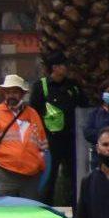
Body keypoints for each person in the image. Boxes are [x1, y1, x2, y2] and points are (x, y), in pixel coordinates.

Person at [0, 75, 48, 199]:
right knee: (4, 210)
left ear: (22, 94)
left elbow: (42, 143)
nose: (11, 95)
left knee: (28, 211)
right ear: (3, 94)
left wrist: (39, 167)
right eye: (8, 92)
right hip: (5, 175)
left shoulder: (32, 114)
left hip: (31, 178)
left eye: (14, 92)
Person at [31, 54, 88, 205]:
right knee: (49, 174)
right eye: (63, 65)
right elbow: (33, 113)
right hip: (50, 140)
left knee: (74, 175)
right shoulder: (41, 86)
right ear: (55, 68)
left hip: (71, 138)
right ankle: (46, 206)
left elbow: (84, 106)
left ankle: (76, 206)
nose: (66, 68)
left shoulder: (73, 86)